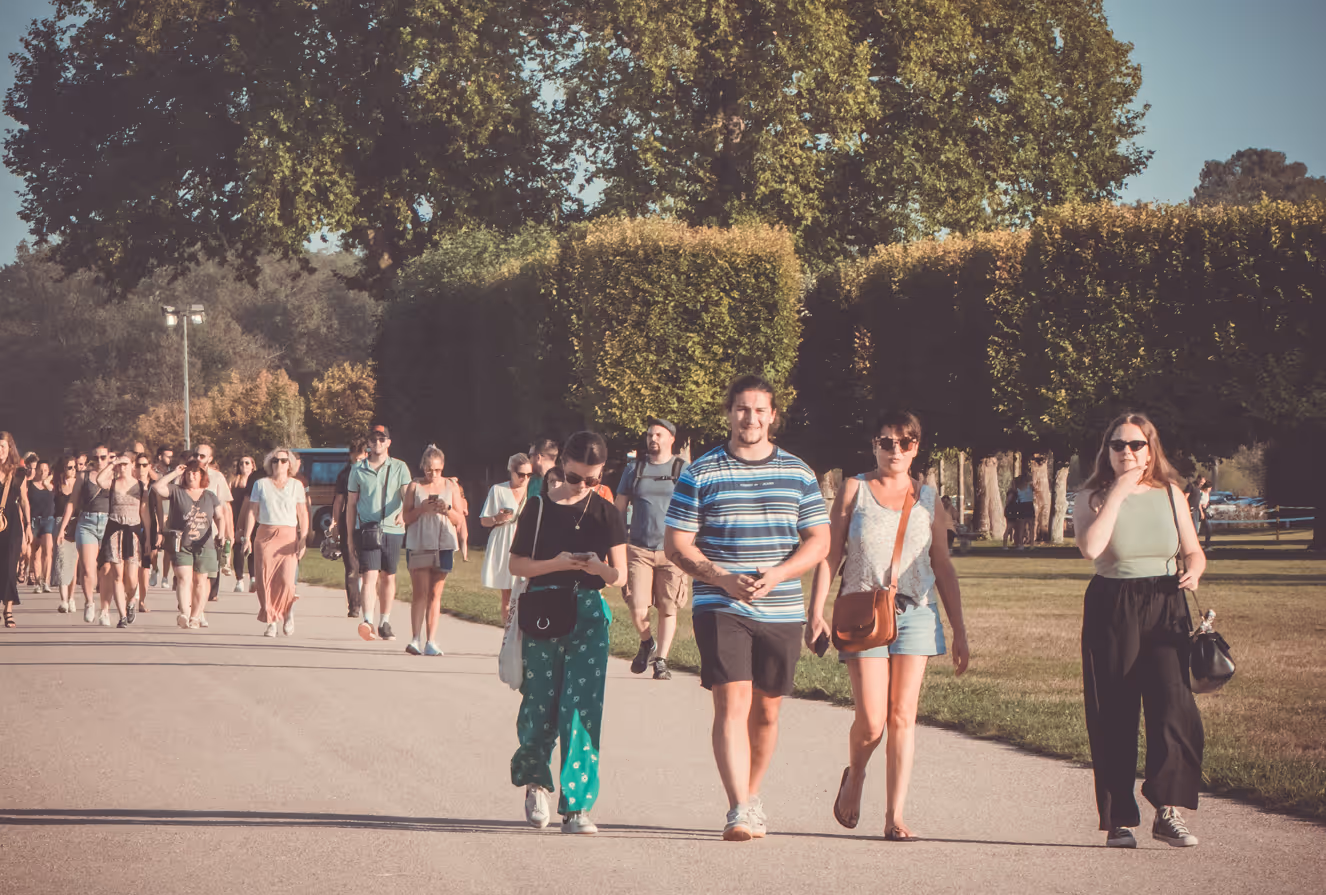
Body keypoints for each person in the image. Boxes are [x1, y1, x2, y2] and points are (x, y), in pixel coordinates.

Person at [664, 374, 831, 841]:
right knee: (732, 702)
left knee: (768, 711)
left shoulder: (798, 472)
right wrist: (721, 578)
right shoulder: (701, 471)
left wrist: (778, 575)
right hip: (720, 602)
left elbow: (819, 541)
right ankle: (738, 807)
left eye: (759, 410)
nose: (750, 418)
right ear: (729, 412)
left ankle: (751, 797)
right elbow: (676, 542)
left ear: (773, 415)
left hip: (781, 607)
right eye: (741, 408)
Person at [809, 411, 970, 840]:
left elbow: (942, 564)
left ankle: (894, 816)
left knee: (903, 716)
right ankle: (857, 774)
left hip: (915, 611)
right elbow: (831, 554)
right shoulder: (854, 488)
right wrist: (815, 611)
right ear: (874, 446)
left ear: (917, 447)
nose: (894, 450)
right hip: (862, 612)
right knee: (873, 721)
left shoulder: (928, 498)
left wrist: (959, 630)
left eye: (904, 442)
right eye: (886, 442)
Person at [1073, 412, 1206, 849]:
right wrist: (1119, 493)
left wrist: (1195, 571)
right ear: (1106, 451)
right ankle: (1119, 819)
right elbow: (1091, 548)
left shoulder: (1171, 492)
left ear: (1152, 449)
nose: (1127, 453)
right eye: (1118, 445)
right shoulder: (1091, 495)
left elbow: (1193, 549)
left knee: (1174, 707)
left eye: (1136, 445)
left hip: (1167, 604)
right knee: (1115, 711)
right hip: (1113, 604)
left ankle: (1166, 809)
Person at [508, 431, 628, 835]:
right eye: (575, 478)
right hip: (543, 608)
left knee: (582, 710)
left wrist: (597, 567)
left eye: (592, 480)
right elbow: (517, 565)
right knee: (539, 704)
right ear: (562, 468)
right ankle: (536, 782)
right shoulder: (538, 507)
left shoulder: (607, 512)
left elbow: (619, 575)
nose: (583, 487)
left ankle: (577, 806)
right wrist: (556, 563)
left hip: (589, 614)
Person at [615, 417, 690, 681]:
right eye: (649, 435)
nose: (653, 439)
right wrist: (615, 542)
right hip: (638, 549)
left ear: (671, 439)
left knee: (668, 607)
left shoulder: (683, 469)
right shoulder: (634, 469)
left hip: (673, 551)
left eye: (658, 435)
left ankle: (661, 661)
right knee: (637, 606)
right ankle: (647, 642)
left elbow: (695, 508)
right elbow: (619, 508)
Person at [346, 424, 412, 641]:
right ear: (369, 443)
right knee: (369, 575)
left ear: (388, 442)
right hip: (367, 529)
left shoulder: (399, 467)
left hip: (393, 529)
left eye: (382, 439)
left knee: (388, 576)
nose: (377, 443)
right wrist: (349, 535)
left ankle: (385, 620)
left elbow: (406, 494)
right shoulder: (358, 469)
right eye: (373, 440)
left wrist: (404, 512)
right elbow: (351, 503)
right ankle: (367, 620)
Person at [401, 445, 465, 655]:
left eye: (437, 470)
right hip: (419, 542)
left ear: (443, 467)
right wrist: (422, 509)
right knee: (420, 592)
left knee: (435, 593)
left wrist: (445, 509)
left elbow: (459, 519)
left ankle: (431, 640)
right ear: (423, 467)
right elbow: (406, 518)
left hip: (444, 542)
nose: (433, 474)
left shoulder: (451, 486)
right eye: (429, 469)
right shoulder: (414, 486)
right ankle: (415, 639)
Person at [238, 448, 308, 637]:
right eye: (275, 460)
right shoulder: (260, 484)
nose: (279, 464)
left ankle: (287, 613)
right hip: (265, 534)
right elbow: (253, 512)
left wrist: (303, 539)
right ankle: (271, 621)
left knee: (286, 580)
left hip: (288, 535)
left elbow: (302, 513)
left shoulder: (296, 485)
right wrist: (247, 538)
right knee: (265, 580)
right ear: (270, 463)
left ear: (290, 464)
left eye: (284, 461)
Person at [154, 459, 227, 630]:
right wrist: (174, 473)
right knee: (184, 578)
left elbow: (220, 516)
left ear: (202, 475)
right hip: (181, 542)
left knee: (201, 581)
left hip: (204, 543)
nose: (191, 475)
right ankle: (184, 614)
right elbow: (157, 487)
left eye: (195, 472)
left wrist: (222, 533)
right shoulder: (176, 491)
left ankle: (196, 616)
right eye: (188, 472)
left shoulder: (210, 496)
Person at [95, 451, 150, 628]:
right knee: (117, 575)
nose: (123, 467)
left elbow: (145, 512)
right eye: (121, 464)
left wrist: (147, 536)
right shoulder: (112, 483)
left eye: (126, 464)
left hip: (133, 533)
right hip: (114, 531)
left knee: (132, 578)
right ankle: (122, 616)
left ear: (132, 466)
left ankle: (131, 601)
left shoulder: (140, 486)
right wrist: (112, 464)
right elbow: (99, 480)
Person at [59, 444, 111, 624]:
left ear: (109, 457)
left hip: (108, 524)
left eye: (103, 457)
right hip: (87, 523)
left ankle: (105, 610)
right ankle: (90, 602)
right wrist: (62, 527)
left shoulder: (115, 475)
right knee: (88, 568)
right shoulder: (83, 476)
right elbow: (72, 502)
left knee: (106, 569)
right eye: (96, 458)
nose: (99, 461)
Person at [480, 453, 533, 622]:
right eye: (521, 474)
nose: (525, 478)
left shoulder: (534, 491)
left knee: (527, 590)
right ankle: (507, 634)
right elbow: (484, 520)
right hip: (504, 539)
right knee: (507, 593)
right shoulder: (498, 490)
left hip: (526, 540)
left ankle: (522, 633)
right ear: (512, 472)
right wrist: (497, 518)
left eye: (529, 475)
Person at [331, 438, 369, 617]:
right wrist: (335, 522)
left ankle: (368, 602)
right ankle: (354, 606)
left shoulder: (373, 473)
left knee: (369, 568)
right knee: (352, 568)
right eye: (355, 458)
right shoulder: (344, 474)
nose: (357, 462)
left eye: (360, 458)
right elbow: (339, 500)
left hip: (368, 524)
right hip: (349, 525)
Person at [195, 443, 233, 608]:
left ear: (210, 459)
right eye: (195, 455)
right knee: (191, 572)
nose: (197, 458)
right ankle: (190, 604)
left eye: (202, 456)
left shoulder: (217, 477)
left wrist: (228, 533)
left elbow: (225, 507)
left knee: (211, 571)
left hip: (212, 531)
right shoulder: (184, 475)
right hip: (190, 531)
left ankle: (204, 603)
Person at [1, 432, 32, 628]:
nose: (0, 451)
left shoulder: (19, 473)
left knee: (10, 565)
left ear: (10, 448)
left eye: (3, 446)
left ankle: (8, 609)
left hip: (12, 523)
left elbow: (24, 501)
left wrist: (28, 526)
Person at [50, 456, 80, 613]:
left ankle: (71, 598)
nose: (73, 470)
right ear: (63, 469)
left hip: (76, 524)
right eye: (69, 467)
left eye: (74, 467)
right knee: (62, 562)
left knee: (73, 564)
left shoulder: (79, 485)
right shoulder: (56, 485)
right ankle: (63, 601)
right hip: (59, 523)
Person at [130, 452, 157, 613]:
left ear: (149, 467)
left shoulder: (154, 485)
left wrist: (159, 531)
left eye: (144, 465)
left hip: (150, 527)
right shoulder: (129, 484)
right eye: (138, 465)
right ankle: (132, 598)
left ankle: (142, 600)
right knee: (133, 563)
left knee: (145, 566)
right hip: (132, 525)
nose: (141, 468)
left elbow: (159, 509)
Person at [230, 456, 257, 593]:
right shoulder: (234, 482)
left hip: (253, 519)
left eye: (247, 463)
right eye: (241, 463)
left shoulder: (257, 482)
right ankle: (239, 579)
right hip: (237, 517)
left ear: (253, 465)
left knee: (253, 548)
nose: (244, 466)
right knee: (239, 548)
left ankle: (253, 578)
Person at [149, 445, 175, 588]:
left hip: (170, 510)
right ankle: (155, 569)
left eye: (171, 456)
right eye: (167, 455)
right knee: (154, 547)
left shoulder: (173, 471)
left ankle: (165, 577)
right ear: (160, 456)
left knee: (168, 547)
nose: (170, 458)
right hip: (155, 510)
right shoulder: (152, 470)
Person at [28, 461, 55, 593]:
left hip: (48, 520)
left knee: (48, 551)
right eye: (40, 469)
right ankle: (38, 582)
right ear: (36, 470)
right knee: (35, 554)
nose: (43, 472)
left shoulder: (51, 486)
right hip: (34, 520)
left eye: (45, 469)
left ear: (48, 471)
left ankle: (46, 581)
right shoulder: (30, 485)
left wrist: (46, 483)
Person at [1006, 471, 1035, 550]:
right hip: (1030, 505)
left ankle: (1021, 544)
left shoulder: (1018, 488)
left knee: (1022, 526)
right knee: (1031, 527)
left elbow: (1014, 490)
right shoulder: (1030, 487)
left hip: (1022, 506)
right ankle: (1032, 544)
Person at [1199, 482, 1213, 550]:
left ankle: (1207, 544)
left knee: (1209, 528)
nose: (1210, 489)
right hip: (1201, 511)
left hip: (1206, 510)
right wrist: (1201, 511)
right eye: (1210, 488)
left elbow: (1207, 501)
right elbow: (1198, 503)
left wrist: (1207, 505)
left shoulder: (1207, 494)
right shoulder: (1201, 493)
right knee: (1204, 528)